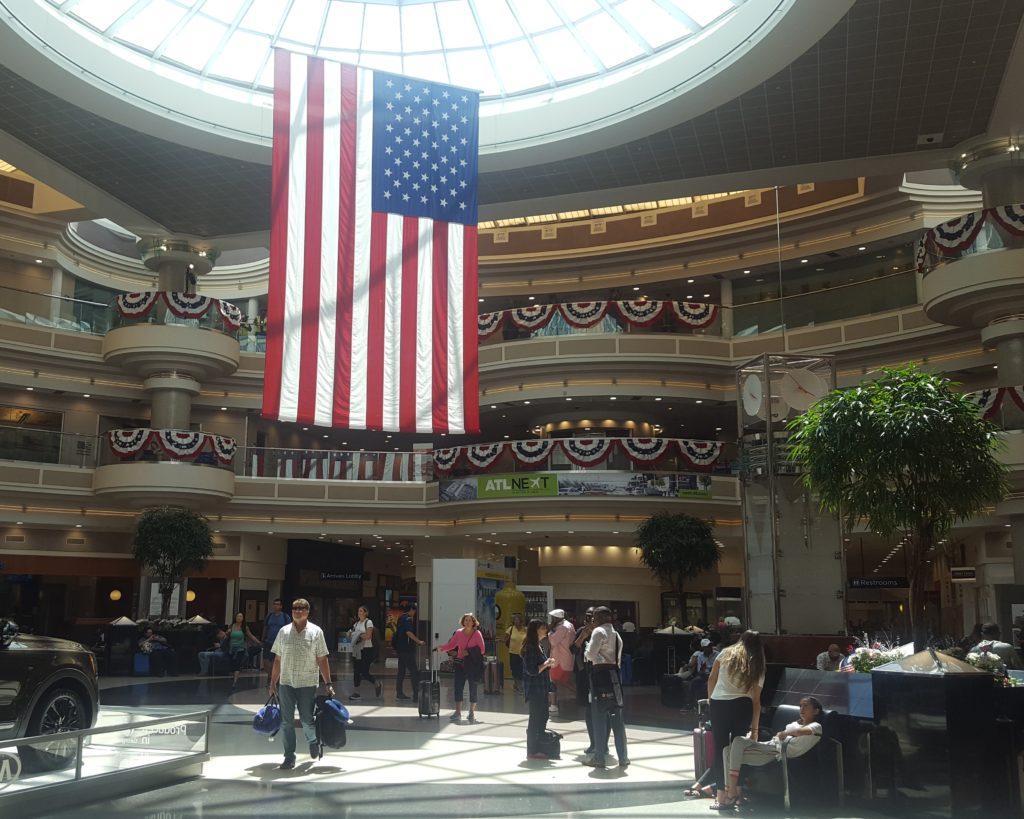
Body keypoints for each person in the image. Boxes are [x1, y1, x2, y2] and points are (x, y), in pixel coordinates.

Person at [717, 696, 824, 809]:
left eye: (806, 706)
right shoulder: (796, 723)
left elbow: (799, 732)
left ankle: (731, 791)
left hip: (776, 751)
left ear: (816, 711)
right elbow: (786, 733)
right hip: (770, 744)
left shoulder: (816, 726)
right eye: (801, 706)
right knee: (730, 747)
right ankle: (731, 791)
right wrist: (782, 734)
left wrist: (785, 733)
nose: (802, 709)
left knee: (730, 751)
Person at [269, 598, 335, 770]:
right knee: (286, 722)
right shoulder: (283, 632)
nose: (297, 611)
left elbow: (322, 659)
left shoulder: (316, 632)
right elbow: (277, 659)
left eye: (301, 608)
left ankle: (312, 740)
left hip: (307, 683)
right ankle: (289, 756)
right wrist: (273, 683)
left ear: (307, 611)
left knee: (306, 720)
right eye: (295, 608)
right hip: (286, 683)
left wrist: (328, 683)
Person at [707, 630, 766, 810]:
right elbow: (756, 700)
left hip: (719, 704)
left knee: (720, 750)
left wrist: (711, 700)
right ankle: (738, 794)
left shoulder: (725, 653)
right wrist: (755, 730)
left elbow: (711, 679)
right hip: (742, 706)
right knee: (739, 750)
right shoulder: (758, 662)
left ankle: (721, 797)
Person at [584, 606, 629, 769]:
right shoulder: (617, 635)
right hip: (615, 676)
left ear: (602, 618)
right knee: (617, 718)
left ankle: (599, 758)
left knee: (599, 717)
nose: (593, 620)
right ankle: (623, 757)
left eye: (594, 617)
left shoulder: (598, 632)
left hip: (600, 677)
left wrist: (587, 648)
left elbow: (590, 655)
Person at [436, 612, 486, 722]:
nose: (467, 622)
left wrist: (469, 652)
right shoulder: (458, 633)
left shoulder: (477, 634)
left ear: (473, 622)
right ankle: (458, 712)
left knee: (473, 688)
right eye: (465, 620)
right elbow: (451, 645)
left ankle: (471, 712)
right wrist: (441, 648)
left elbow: (482, 650)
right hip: (460, 664)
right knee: (458, 687)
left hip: (472, 665)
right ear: (463, 622)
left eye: (469, 620)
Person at [521, 617, 558, 759]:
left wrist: (547, 664)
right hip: (535, 689)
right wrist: (546, 663)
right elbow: (532, 670)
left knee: (543, 716)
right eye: (542, 628)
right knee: (536, 718)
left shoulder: (539, 646)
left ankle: (539, 745)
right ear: (535, 630)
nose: (545, 630)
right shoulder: (531, 647)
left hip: (541, 688)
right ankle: (532, 749)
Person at [573, 607, 599, 754]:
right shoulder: (581, 631)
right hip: (584, 674)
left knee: (602, 710)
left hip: (599, 673)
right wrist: (582, 636)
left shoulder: (601, 633)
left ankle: (602, 743)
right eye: (588, 616)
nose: (590, 620)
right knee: (588, 710)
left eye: (593, 617)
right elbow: (573, 650)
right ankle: (593, 742)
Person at [349, 605, 383, 699]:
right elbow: (353, 635)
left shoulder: (368, 622)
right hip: (357, 649)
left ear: (365, 613)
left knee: (364, 672)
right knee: (356, 671)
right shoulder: (356, 624)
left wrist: (357, 634)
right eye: (358, 611)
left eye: (361, 611)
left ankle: (376, 683)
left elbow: (368, 636)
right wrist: (354, 634)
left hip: (367, 649)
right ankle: (356, 692)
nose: (359, 613)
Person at [393, 603, 426, 700]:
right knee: (414, 671)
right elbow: (408, 632)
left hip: (400, 649)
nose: (415, 613)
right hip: (407, 650)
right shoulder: (407, 619)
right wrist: (418, 641)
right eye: (414, 611)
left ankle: (399, 693)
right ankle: (416, 695)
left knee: (401, 671)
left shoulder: (400, 618)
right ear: (411, 609)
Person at [548, 608, 576, 704]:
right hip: (565, 658)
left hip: (559, 660)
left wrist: (550, 631)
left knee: (555, 681)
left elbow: (553, 641)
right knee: (564, 681)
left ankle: (553, 703)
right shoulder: (569, 625)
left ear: (557, 618)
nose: (552, 619)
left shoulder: (562, 627)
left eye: (553, 617)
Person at [682, 638, 719, 710]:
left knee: (706, 686)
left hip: (713, 675)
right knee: (693, 682)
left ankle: (705, 706)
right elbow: (699, 670)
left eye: (710, 645)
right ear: (703, 648)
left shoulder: (717, 654)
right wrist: (702, 670)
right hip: (704, 675)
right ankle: (689, 704)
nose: (710, 647)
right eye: (707, 646)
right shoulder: (700, 656)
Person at [227, 612, 260, 687]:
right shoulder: (231, 626)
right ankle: (233, 677)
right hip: (232, 649)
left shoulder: (244, 627)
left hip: (240, 649)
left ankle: (235, 682)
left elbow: (250, 636)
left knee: (237, 665)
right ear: (235, 618)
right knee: (232, 665)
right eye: (237, 616)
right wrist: (227, 632)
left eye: (240, 616)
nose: (239, 618)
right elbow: (227, 635)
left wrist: (258, 642)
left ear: (243, 618)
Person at [262, 598, 291, 674]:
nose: (275, 606)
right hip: (269, 642)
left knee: (277, 661)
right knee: (266, 660)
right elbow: (265, 627)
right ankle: (270, 675)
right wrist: (263, 639)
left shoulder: (285, 617)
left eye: (277, 604)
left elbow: (289, 630)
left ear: (281, 606)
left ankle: (274, 677)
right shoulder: (269, 616)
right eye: (274, 604)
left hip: (280, 643)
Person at [504, 612, 528, 694]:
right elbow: (506, 639)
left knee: (521, 669)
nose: (516, 621)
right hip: (513, 652)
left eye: (518, 620)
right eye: (515, 620)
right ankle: (516, 684)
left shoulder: (525, 630)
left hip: (522, 653)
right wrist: (501, 640)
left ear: (521, 621)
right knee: (514, 669)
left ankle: (519, 685)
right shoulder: (510, 629)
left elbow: (528, 639)